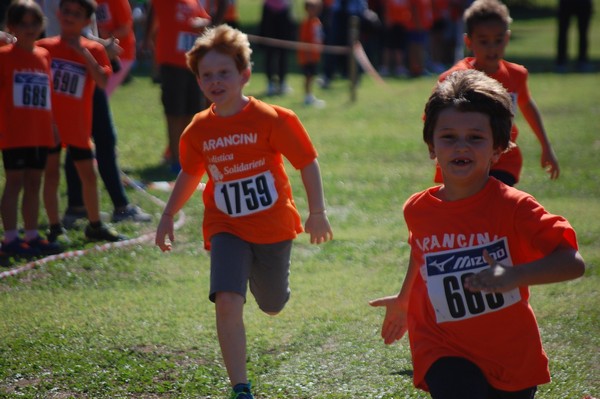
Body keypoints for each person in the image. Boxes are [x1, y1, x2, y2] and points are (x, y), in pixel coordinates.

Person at [370, 69, 586, 399]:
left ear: (498, 149)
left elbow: (573, 262)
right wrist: (403, 300)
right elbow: (422, 256)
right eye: (449, 137)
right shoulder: (417, 209)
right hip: (442, 345)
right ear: (432, 147)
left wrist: (514, 274)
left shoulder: (515, 207)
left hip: (510, 353)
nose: (461, 146)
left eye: (475, 137)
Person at [155, 25, 333, 399]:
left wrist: (317, 211)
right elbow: (190, 173)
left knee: (271, 304)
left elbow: (307, 161)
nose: (215, 81)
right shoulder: (198, 130)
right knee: (227, 301)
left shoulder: (274, 118)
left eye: (224, 73)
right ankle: (241, 387)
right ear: (198, 80)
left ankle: (265, 283)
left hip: (273, 227)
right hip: (226, 226)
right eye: (207, 75)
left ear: (244, 75)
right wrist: (169, 215)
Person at [433, 0, 559, 186]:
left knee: (494, 209)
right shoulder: (455, 79)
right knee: (463, 212)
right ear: (469, 41)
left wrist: (546, 146)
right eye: (484, 41)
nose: (491, 47)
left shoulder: (516, 75)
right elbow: (433, 117)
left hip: (503, 161)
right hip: (462, 158)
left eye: (498, 40)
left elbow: (526, 104)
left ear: (507, 38)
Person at [37, 0, 127, 242]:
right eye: (66, 11)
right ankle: (55, 227)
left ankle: (95, 225)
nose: (69, 17)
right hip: (51, 125)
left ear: (88, 21)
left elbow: (101, 81)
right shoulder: (44, 47)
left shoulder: (94, 50)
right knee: (52, 174)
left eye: (76, 14)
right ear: (58, 13)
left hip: (77, 125)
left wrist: (82, 52)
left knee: (88, 175)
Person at [0, 0, 62, 257]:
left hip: (39, 130)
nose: (29, 28)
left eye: (34, 23)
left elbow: (46, 93)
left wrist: (53, 126)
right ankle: (11, 237)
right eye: (23, 24)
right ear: (12, 27)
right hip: (14, 131)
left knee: (35, 181)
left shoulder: (43, 55)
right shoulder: (4, 57)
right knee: (15, 182)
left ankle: (32, 234)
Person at [145, 0, 211, 173]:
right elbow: (153, 12)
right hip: (171, 62)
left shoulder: (194, 2)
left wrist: (203, 23)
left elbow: (206, 21)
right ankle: (175, 160)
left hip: (193, 65)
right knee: (174, 113)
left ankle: (184, 155)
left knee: (191, 112)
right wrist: (147, 39)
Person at [259, 0, 294, 96]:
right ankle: (270, 83)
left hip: (284, 10)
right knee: (269, 50)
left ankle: (282, 82)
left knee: (283, 49)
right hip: (269, 10)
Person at [298, 0, 326, 107]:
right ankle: (308, 96)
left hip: (315, 55)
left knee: (312, 76)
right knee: (308, 76)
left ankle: (310, 95)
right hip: (307, 56)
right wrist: (308, 55)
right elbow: (304, 40)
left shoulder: (317, 21)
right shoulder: (306, 23)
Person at [556, 0, 593, 73]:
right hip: (566, 2)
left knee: (583, 32)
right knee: (563, 31)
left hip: (583, 3)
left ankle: (582, 61)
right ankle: (561, 62)